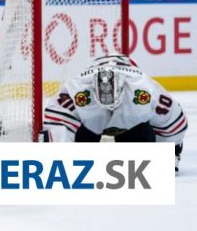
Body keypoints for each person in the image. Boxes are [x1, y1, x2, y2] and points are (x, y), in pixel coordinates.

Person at [43, 55, 187, 172]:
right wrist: (61, 158)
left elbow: (173, 124)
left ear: (124, 88)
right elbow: (58, 124)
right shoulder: (76, 89)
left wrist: (169, 153)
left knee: (143, 164)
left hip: (131, 126)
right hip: (90, 125)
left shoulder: (146, 90)